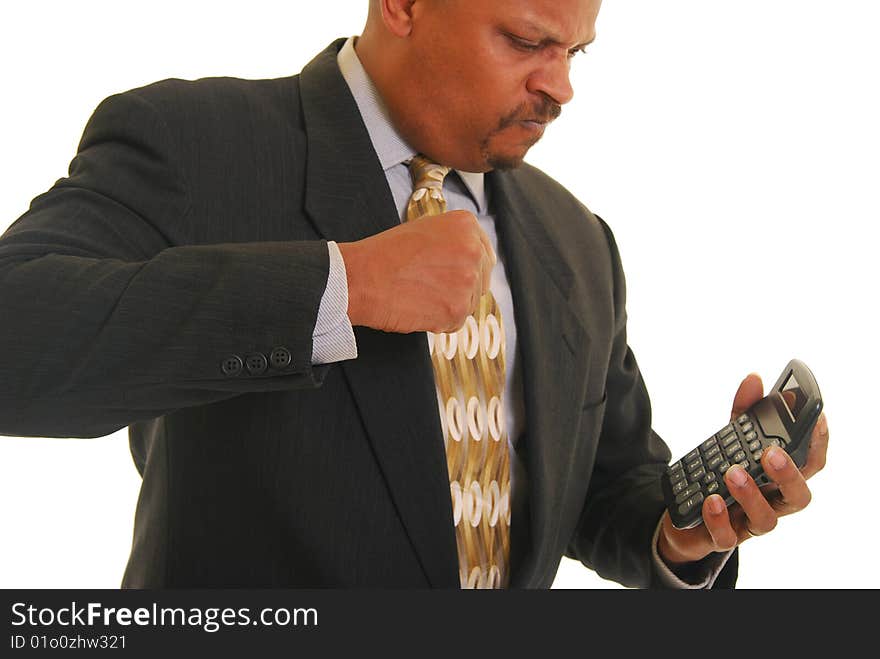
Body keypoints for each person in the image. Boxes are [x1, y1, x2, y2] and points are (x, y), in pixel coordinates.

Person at [0, 0, 828, 589]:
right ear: (401, 3)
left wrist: (682, 533)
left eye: (575, 53)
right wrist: (341, 285)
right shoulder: (197, 144)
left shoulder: (577, 242)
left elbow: (605, 487)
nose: (561, 87)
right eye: (525, 40)